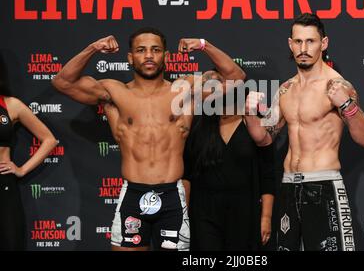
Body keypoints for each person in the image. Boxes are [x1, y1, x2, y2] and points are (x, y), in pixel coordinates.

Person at [51, 27, 245, 251]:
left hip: (172, 196)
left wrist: (204, 44)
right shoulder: (114, 92)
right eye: (141, 50)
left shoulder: (184, 90)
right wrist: (93, 48)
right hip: (133, 194)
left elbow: (236, 78)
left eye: (156, 50)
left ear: (167, 56)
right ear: (130, 57)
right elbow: (62, 82)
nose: (149, 55)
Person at [245, 13, 364, 251]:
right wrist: (250, 113)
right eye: (298, 41)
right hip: (288, 187)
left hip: (323, 186)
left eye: (311, 41)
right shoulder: (286, 90)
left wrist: (346, 105)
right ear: (290, 44)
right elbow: (264, 138)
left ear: (323, 43)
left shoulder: (337, 86)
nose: (303, 48)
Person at [183, 88, 275, 251]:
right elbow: (187, 174)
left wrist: (266, 217)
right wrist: (184, 216)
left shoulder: (253, 123)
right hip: (205, 211)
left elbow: (267, 174)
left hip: (244, 211)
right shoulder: (199, 125)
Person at [0, 71, 58, 251]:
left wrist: (22, 169)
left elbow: (49, 140)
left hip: (3, 185)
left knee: (10, 243)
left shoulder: (11, 105)